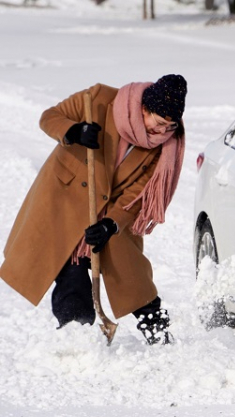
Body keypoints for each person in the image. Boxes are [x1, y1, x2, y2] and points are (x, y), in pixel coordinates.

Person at [0, 74, 187, 345]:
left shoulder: (164, 146)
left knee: (130, 274)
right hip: (67, 201)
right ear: (143, 109)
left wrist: (112, 223)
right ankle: (78, 336)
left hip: (111, 212)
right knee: (71, 270)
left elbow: (139, 193)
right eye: (159, 123)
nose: (163, 132)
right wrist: (72, 131)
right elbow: (49, 117)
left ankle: (158, 330)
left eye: (170, 126)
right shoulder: (99, 99)